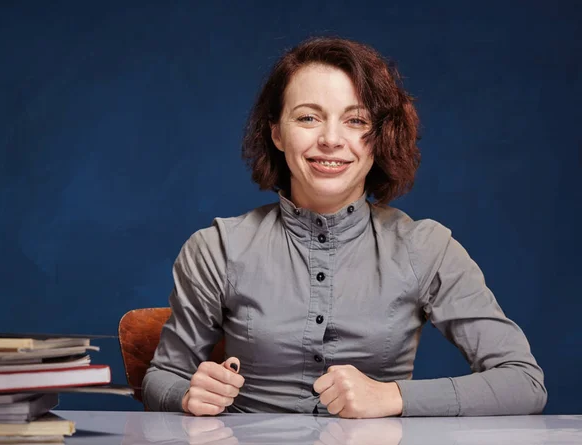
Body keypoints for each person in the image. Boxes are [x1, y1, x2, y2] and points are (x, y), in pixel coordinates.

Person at [142, 36, 547, 418]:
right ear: (277, 134)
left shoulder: (427, 247)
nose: (331, 139)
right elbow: (162, 378)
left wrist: (392, 396)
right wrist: (187, 394)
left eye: (355, 121)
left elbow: (524, 383)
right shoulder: (217, 248)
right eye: (308, 117)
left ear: (381, 137)